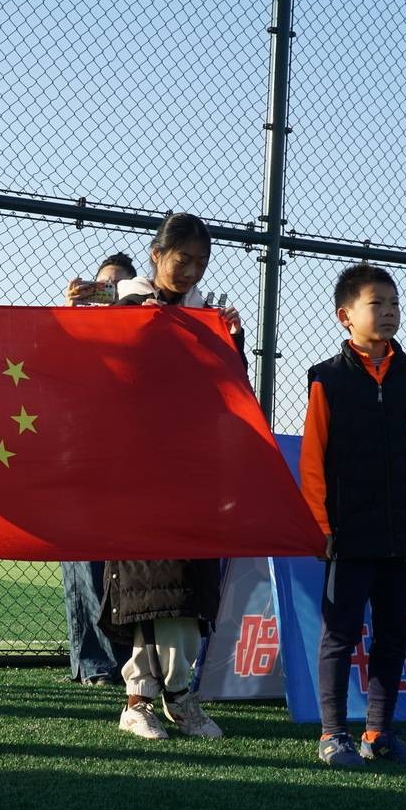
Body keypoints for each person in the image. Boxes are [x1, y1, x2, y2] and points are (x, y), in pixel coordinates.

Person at [98, 214, 242, 740]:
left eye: (201, 263)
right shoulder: (123, 305)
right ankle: (137, 700)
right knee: (139, 584)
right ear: (157, 255)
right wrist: (89, 312)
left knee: (186, 583)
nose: (191, 271)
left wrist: (230, 339)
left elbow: (230, 393)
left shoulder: (207, 317)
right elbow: (93, 369)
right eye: (183, 259)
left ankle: (181, 699)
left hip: (192, 470)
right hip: (135, 468)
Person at [299, 263, 406, 770]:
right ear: (345, 316)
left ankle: (379, 733)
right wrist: (319, 525)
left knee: (392, 633)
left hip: (403, 533)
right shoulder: (327, 379)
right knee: (339, 634)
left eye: (394, 303)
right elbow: (312, 459)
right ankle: (332, 735)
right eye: (375, 303)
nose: (387, 312)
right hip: (348, 532)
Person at [56, 252, 138, 685]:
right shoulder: (79, 331)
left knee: (112, 569)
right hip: (78, 460)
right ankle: (89, 662)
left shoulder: (142, 334)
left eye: (118, 286)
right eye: (101, 284)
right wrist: (71, 311)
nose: (107, 291)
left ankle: (114, 660)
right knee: (79, 566)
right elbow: (50, 359)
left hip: (122, 466)